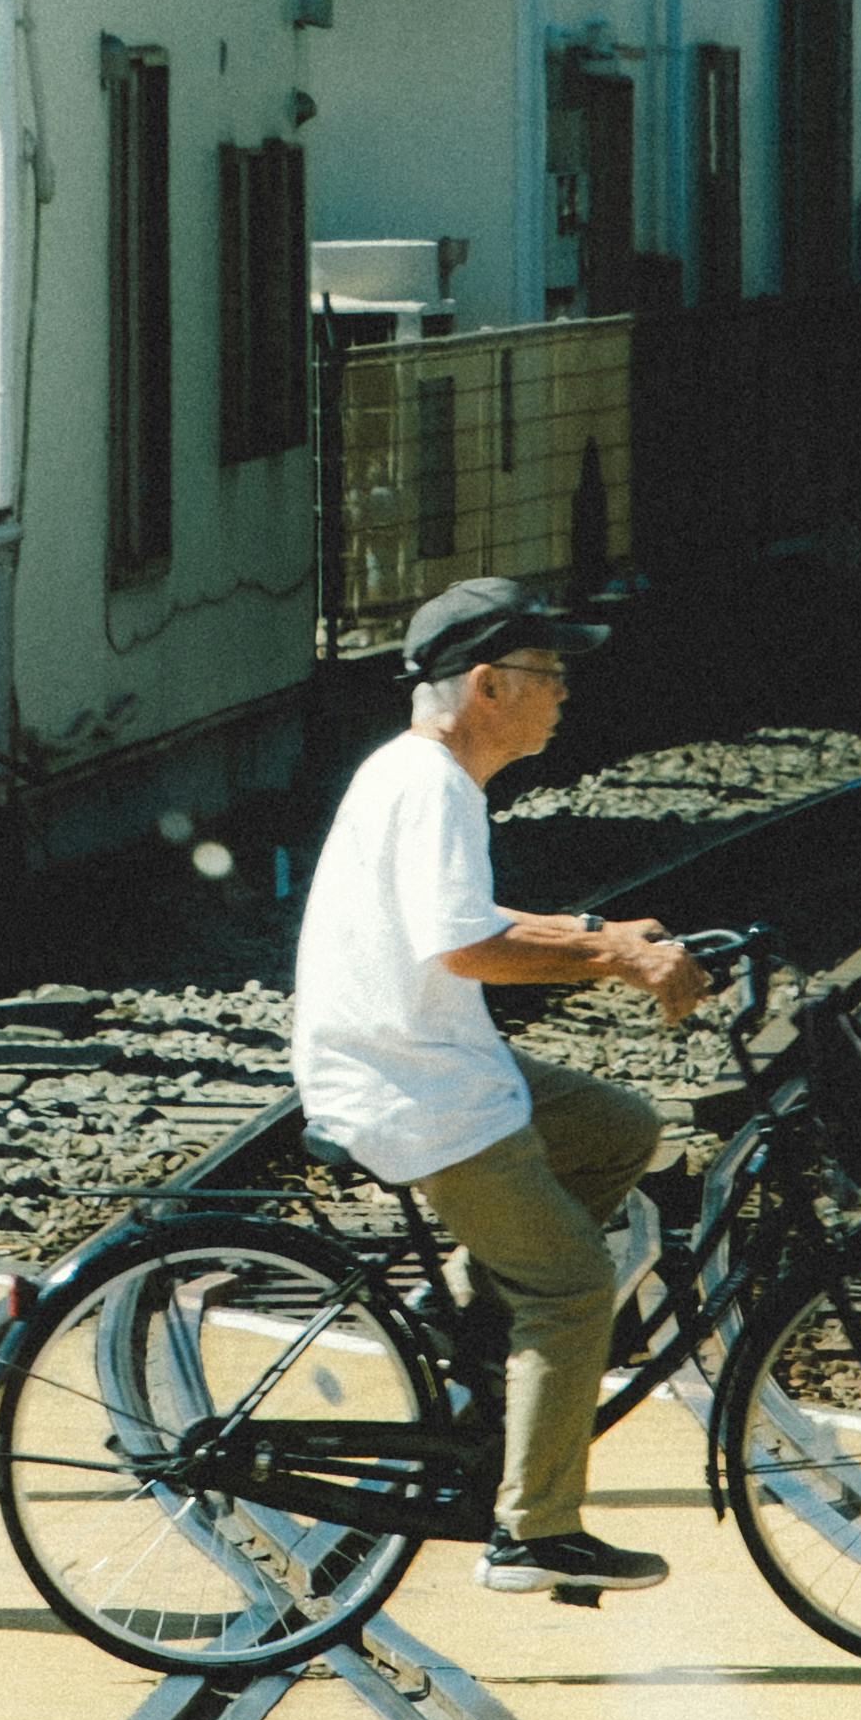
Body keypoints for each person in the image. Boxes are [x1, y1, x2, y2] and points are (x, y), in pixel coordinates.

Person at [289, 575, 706, 1602]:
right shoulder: (431, 786)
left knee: (617, 1129)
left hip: (424, 1057)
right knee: (572, 1287)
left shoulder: (419, 776)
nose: (564, 692)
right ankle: (534, 1532)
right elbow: (465, 943)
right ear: (487, 686)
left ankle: (468, 1318)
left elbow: (458, 917)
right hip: (409, 1085)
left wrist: (589, 933)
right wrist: (608, 954)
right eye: (549, 673)